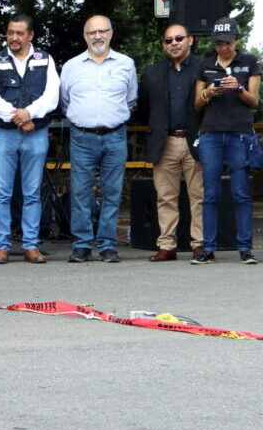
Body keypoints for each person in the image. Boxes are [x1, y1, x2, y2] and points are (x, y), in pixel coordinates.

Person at [0, 14, 60, 264]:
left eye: (19, 33)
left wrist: (30, 113)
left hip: (35, 133)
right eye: (10, 33)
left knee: (32, 192)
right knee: (2, 192)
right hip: (5, 133)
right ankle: (1, 245)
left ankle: (31, 245)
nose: (14, 38)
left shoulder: (45, 59)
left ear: (31, 35)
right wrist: (18, 116)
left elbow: (52, 96)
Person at [59, 15, 137, 264]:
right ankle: (81, 245)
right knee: (80, 193)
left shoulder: (126, 64)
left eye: (102, 31)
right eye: (92, 32)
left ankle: (107, 245)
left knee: (112, 192)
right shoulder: (71, 66)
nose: (97, 36)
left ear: (111, 33)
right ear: (85, 36)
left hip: (115, 136)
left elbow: (131, 100)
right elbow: (65, 101)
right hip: (82, 136)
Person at [192, 17, 260, 265]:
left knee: (240, 192)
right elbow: (197, 104)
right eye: (219, 43)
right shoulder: (205, 65)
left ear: (237, 41)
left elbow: (254, 102)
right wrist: (209, 92)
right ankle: (207, 248)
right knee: (210, 192)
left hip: (239, 133)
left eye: (228, 43)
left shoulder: (249, 62)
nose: (223, 48)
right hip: (210, 133)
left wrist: (238, 88)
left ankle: (245, 248)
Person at [136, 24, 204, 262]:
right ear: (163, 45)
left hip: (196, 140)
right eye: (168, 40)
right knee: (165, 196)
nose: (173, 43)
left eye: (178, 38)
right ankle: (167, 245)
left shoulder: (203, 67)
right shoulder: (152, 72)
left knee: (199, 196)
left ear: (190, 40)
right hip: (164, 141)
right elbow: (143, 109)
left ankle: (200, 245)